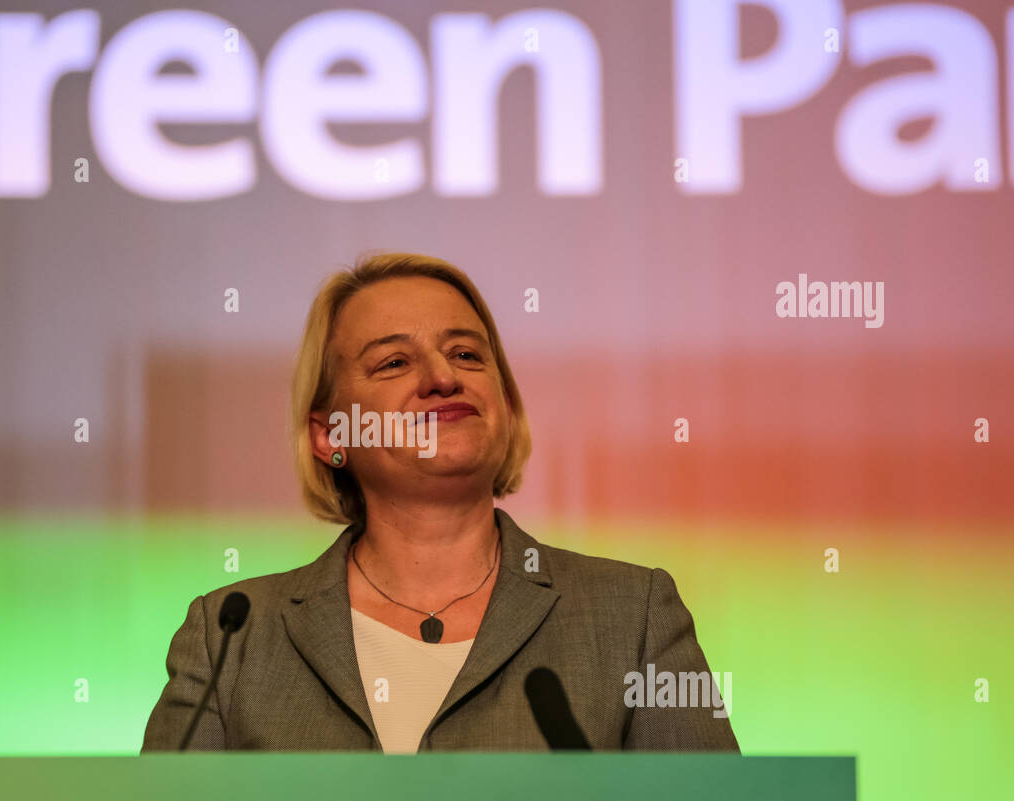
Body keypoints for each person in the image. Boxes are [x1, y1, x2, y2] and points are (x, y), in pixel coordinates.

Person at [142, 251, 739, 753]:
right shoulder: (230, 639)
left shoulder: (632, 616)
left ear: (505, 404)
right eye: (394, 362)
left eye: (467, 354)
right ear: (331, 437)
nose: (442, 378)